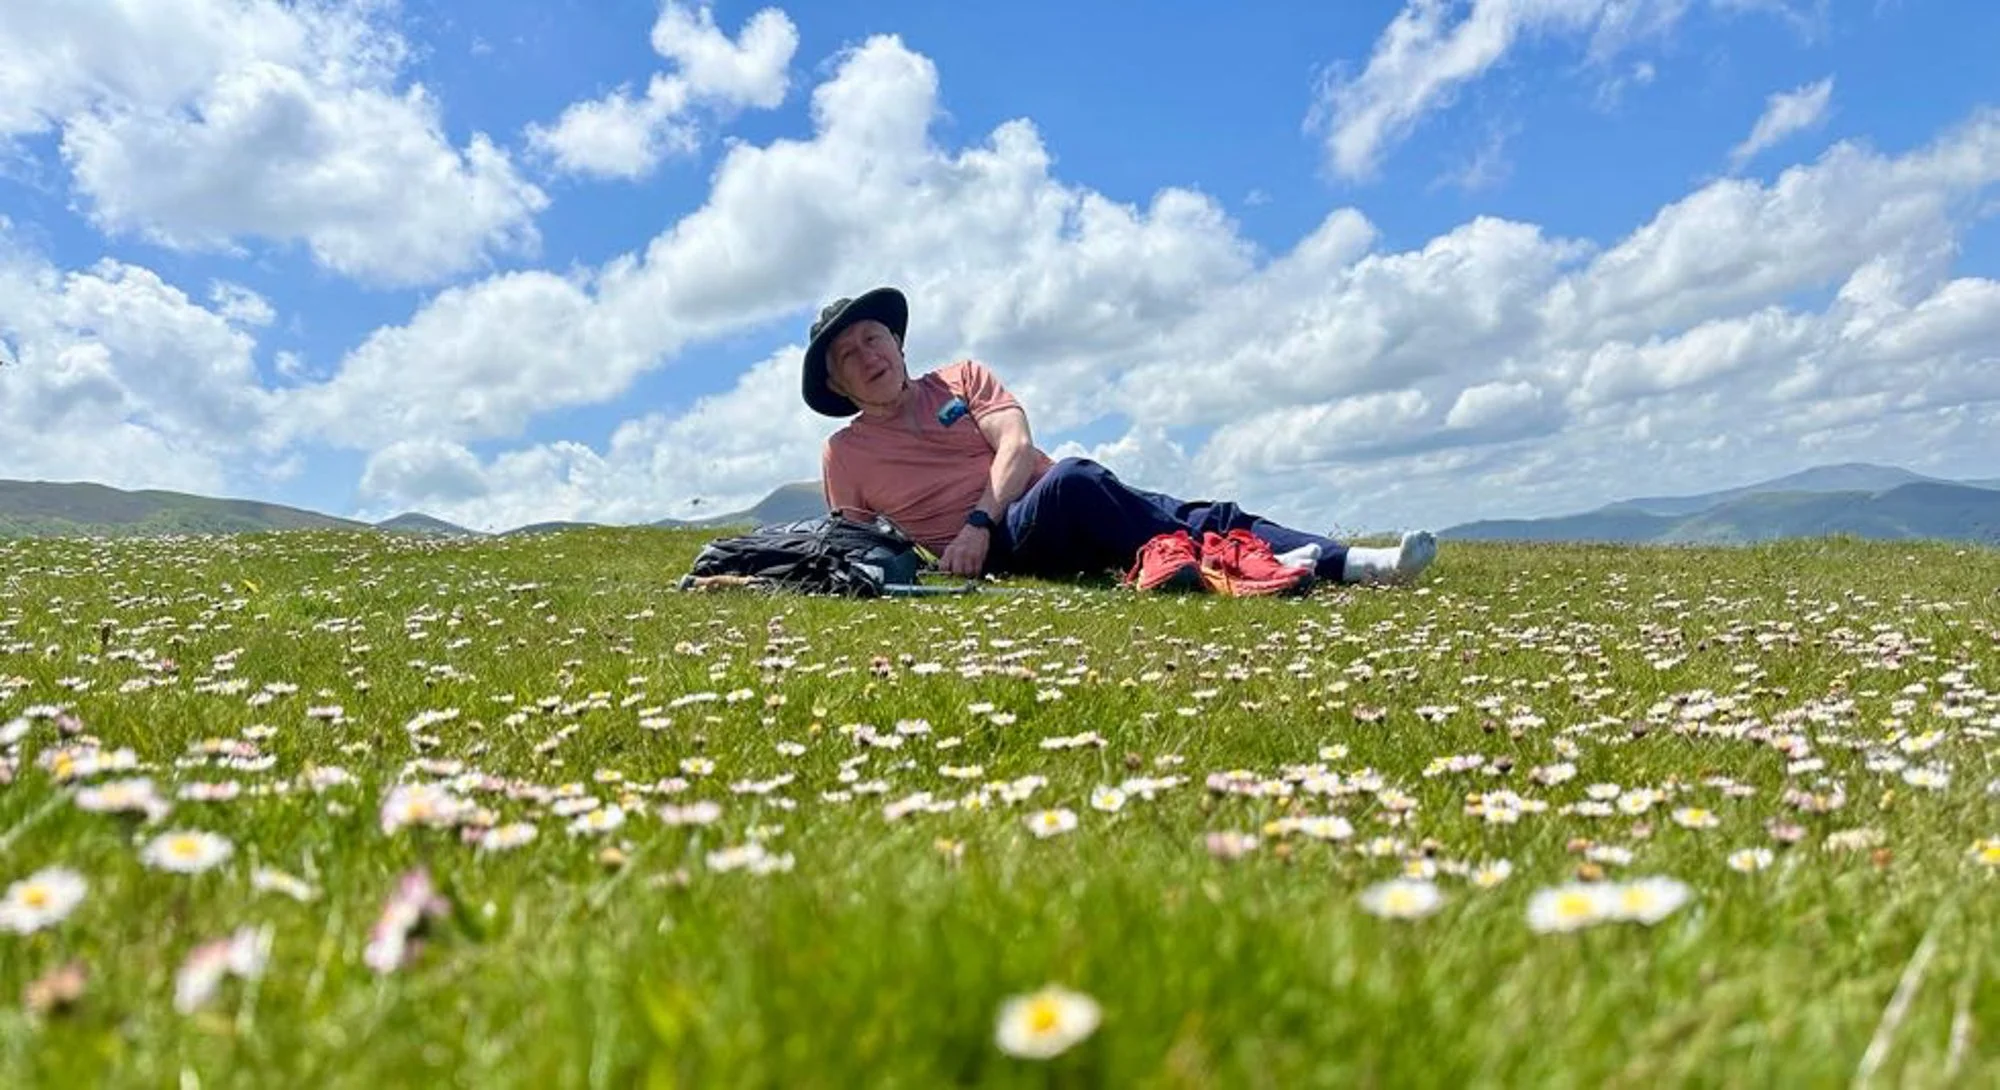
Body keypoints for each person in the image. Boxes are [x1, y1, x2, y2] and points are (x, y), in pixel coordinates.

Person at [802, 286, 1438, 593]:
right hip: (1004, 545)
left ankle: (1347, 561)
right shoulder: (846, 454)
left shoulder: (961, 377)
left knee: (1199, 513)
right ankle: (1243, 566)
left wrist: (977, 515)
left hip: (1037, 506)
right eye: (847, 354)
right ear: (838, 385)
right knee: (1076, 480)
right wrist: (962, 543)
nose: (867, 355)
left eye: (872, 337)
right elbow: (855, 546)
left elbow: (1016, 444)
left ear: (898, 341)